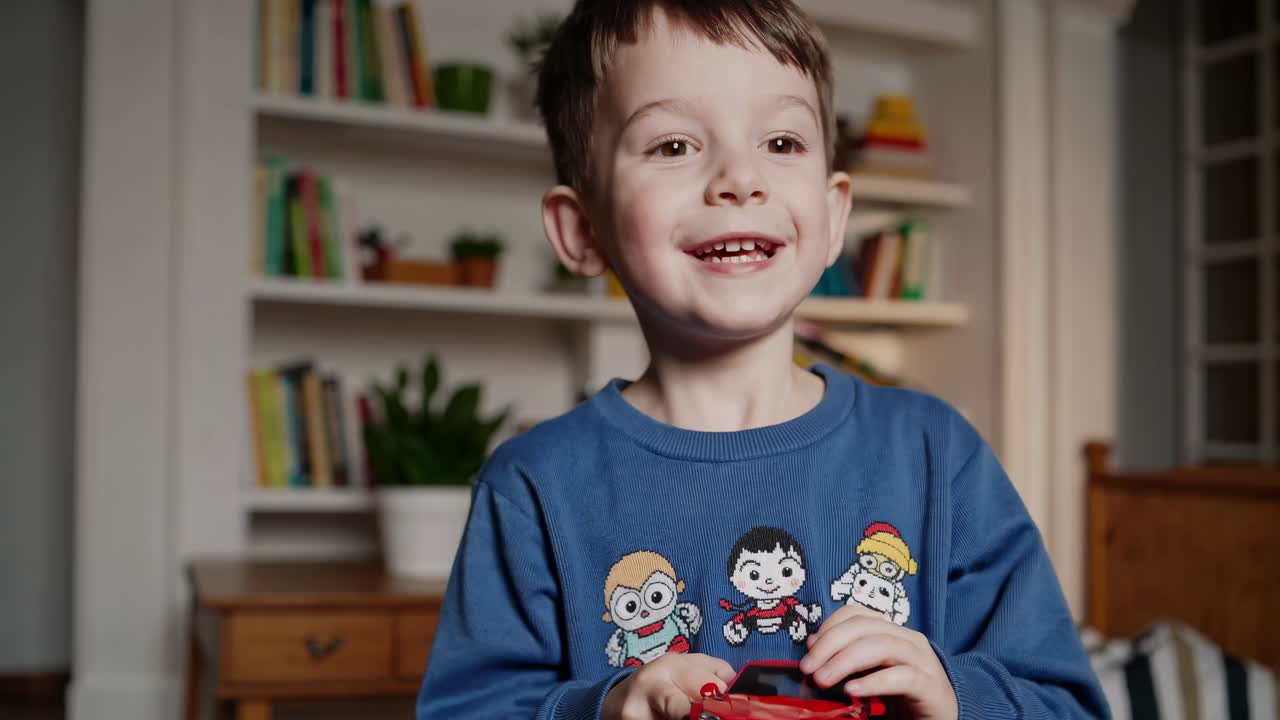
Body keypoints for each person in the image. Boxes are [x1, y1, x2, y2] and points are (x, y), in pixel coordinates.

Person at [417, 1, 1108, 719]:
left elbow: (1067, 705)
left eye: (781, 142)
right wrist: (608, 705)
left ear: (835, 213)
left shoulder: (938, 454)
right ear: (582, 229)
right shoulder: (531, 487)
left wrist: (951, 694)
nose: (739, 179)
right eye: (674, 146)